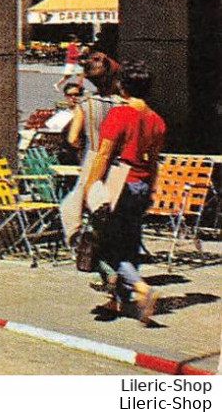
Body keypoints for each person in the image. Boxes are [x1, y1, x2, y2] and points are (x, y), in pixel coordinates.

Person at [84, 60, 165, 324]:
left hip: (120, 185)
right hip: (142, 185)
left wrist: (90, 187)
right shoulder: (156, 121)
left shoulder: (119, 115)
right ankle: (118, 301)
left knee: (106, 247)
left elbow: (104, 154)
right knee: (130, 243)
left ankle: (140, 288)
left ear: (123, 87)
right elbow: (153, 161)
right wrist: (151, 189)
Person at [61, 49, 123, 238]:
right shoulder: (123, 104)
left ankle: (75, 235)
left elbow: (72, 138)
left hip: (94, 154)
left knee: (78, 195)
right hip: (118, 159)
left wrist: (79, 146)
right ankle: (101, 216)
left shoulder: (85, 104)